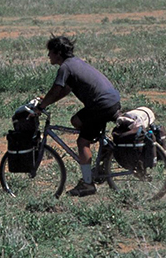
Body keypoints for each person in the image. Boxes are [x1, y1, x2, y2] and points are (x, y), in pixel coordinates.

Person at [30, 35, 121, 197]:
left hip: (100, 106)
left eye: (50, 52)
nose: (48, 56)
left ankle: (87, 184)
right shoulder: (76, 63)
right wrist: (48, 102)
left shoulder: (65, 68)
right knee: (76, 121)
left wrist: (42, 106)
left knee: (82, 142)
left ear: (58, 53)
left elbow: (56, 88)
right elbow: (64, 90)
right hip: (111, 101)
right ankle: (105, 147)